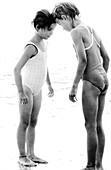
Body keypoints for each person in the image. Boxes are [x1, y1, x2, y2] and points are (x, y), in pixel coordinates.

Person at [53, 2, 109, 170]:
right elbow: (106, 58)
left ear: (65, 17)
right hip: (103, 79)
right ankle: (99, 166)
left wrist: (74, 86)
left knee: (89, 126)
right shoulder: (91, 29)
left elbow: (83, 60)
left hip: (91, 80)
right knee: (98, 124)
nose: (62, 28)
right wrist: (102, 77)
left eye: (60, 24)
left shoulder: (76, 32)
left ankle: (91, 167)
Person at [14, 9, 56, 167]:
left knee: (34, 122)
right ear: (39, 27)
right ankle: (22, 155)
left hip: (38, 89)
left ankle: (31, 154)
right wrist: (20, 92)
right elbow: (16, 70)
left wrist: (49, 84)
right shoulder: (31, 46)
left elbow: (44, 65)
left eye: (53, 29)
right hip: (27, 89)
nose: (51, 33)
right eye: (49, 30)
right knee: (24, 122)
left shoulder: (44, 43)